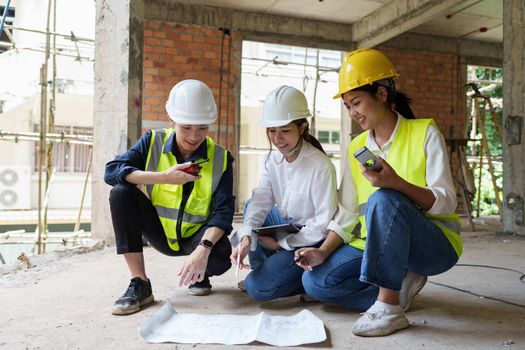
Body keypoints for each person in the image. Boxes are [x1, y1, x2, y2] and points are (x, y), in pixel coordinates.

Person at [296, 49, 462, 336]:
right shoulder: (357, 146)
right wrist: (322, 251)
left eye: (357, 102)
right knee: (315, 284)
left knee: (384, 197)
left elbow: (446, 203)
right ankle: (398, 287)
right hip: (378, 245)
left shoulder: (425, 132)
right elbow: (348, 211)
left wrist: (397, 183)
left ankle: (389, 307)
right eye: (348, 106)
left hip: (433, 246)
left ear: (382, 95)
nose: (353, 113)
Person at [104, 79, 235, 315]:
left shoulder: (221, 159)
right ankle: (140, 283)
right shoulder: (152, 142)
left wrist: (203, 249)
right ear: (171, 119)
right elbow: (111, 171)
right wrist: (162, 177)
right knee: (120, 193)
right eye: (186, 127)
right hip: (160, 233)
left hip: (195, 237)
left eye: (202, 127)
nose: (194, 136)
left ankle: (200, 272)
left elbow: (224, 213)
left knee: (222, 252)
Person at [230, 85, 337, 301]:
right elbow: (261, 201)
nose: (277, 139)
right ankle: (264, 269)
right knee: (253, 205)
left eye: (285, 130)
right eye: (271, 131)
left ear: (303, 127)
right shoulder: (272, 159)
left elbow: (322, 224)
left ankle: (303, 276)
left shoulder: (320, 165)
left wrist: (281, 244)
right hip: (287, 223)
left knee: (259, 289)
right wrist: (246, 238)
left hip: (312, 237)